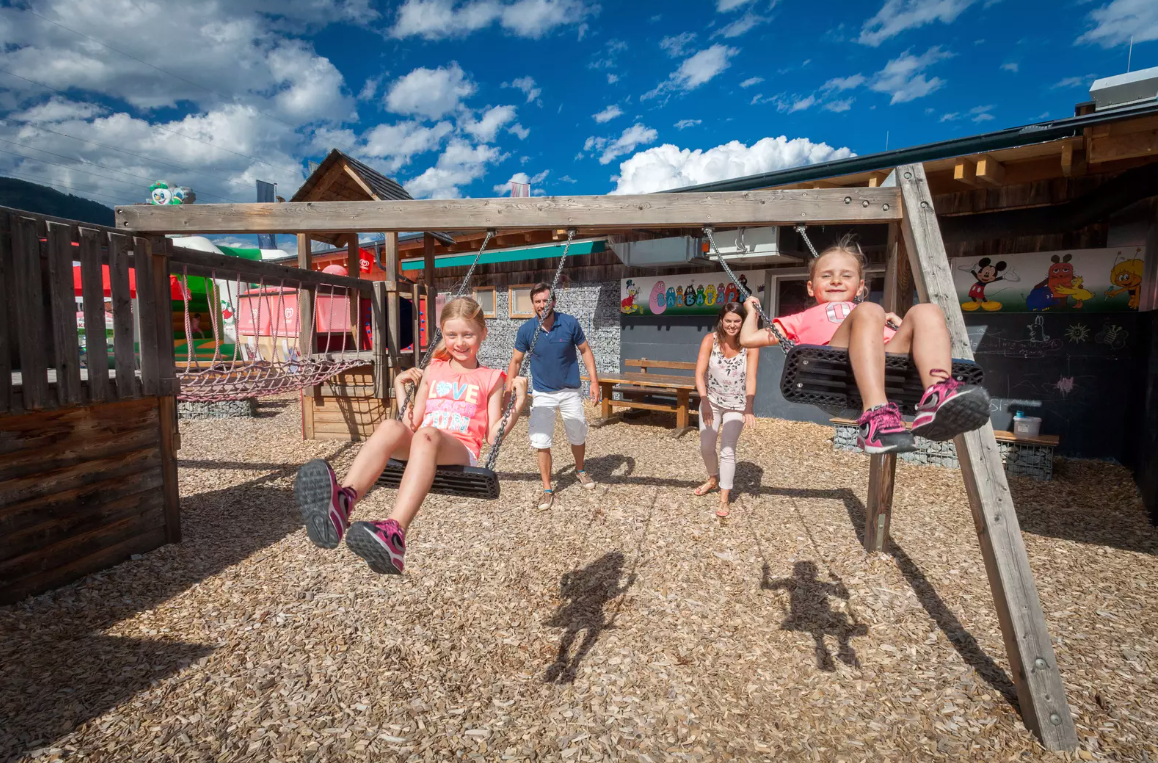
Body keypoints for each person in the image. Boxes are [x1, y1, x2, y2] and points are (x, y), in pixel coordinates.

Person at [293, 297, 528, 575]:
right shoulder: (433, 370)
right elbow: (412, 422)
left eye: (468, 335)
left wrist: (518, 403)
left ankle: (394, 534)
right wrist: (399, 386)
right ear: (442, 333)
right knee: (390, 427)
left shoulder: (491, 377)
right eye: (452, 335)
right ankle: (343, 502)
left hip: (460, 448)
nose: (460, 342)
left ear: (482, 334)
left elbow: (492, 435)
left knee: (428, 435)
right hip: (424, 441)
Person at [739, 235, 990, 454]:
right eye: (826, 276)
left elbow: (908, 348)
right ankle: (875, 417)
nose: (836, 280)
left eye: (845, 275)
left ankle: (937, 397)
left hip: (886, 373)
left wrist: (906, 328)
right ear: (810, 287)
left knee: (927, 311)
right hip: (833, 380)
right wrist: (752, 312)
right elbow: (748, 340)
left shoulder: (873, 317)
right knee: (869, 311)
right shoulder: (802, 319)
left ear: (860, 286)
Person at [507, 282, 600, 510]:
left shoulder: (569, 323)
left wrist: (594, 381)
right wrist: (509, 389)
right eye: (537, 301)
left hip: (570, 390)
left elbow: (585, 351)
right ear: (533, 304)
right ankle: (548, 488)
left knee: (577, 434)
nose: (542, 305)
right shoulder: (527, 330)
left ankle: (580, 470)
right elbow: (516, 360)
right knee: (541, 440)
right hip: (542, 393)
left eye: (545, 300)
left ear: (554, 302)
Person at [693, 301, 759, 518]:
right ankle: (713, 478)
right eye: (728, 320)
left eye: (737, 321)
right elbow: (699, 373)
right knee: (706, 446)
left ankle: (724, 499)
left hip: (737, 405)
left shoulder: (750, 344)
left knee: (728, 449)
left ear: (743, 322)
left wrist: (749, 407)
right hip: (711, 401)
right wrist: (703, 401)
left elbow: (751, 377)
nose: (732, 325)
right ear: (721, 320)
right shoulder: (709, 340)